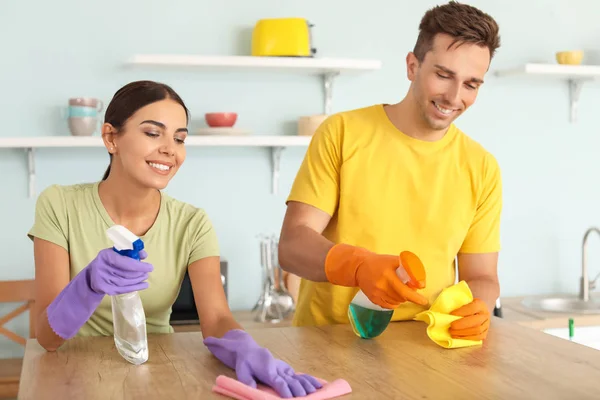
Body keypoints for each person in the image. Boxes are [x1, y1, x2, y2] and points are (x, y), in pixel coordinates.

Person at [28, 80, 321, 398]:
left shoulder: (192, 224)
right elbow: (46, 337)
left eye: (179, 138)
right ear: (111, 137)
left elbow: (217, 319)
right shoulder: (60, 204)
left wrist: (246, 349)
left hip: (155, 375)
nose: (170, 149)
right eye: (153, 133)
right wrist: (86, 285)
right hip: (73, 377)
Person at [278, 1, 502, 342]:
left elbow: (482, 275)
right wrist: (357, 266)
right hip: (325, 342)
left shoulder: (481, 167)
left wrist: (481, 306)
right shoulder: (343, 133)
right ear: (412, 66)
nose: (454, 97)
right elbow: (292, 246)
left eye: (471, 84)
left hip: (425, 349)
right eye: (443, 75)